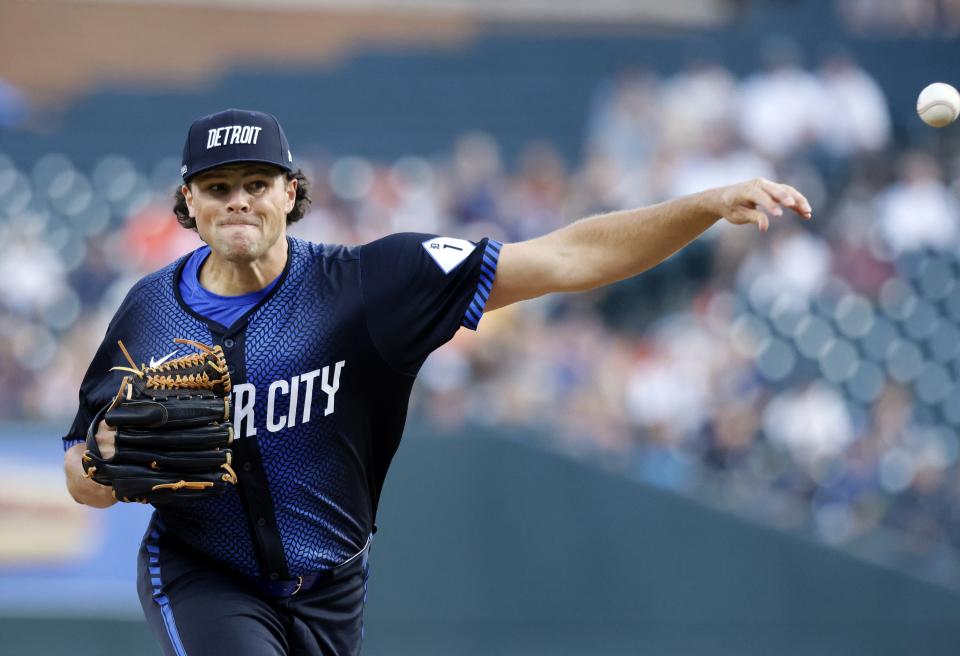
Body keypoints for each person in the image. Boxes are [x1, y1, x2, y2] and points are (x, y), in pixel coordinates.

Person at [62, 108, 812, 656]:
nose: (238, 202)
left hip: (332, 584)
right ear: (187, 202)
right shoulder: (150, 312)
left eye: (257, 182)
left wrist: (705, 205)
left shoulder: (369, 285)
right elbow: (80, 473)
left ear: (292, 192)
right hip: (204, 569)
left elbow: (566, 259)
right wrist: (101, 461)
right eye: (217, 187)